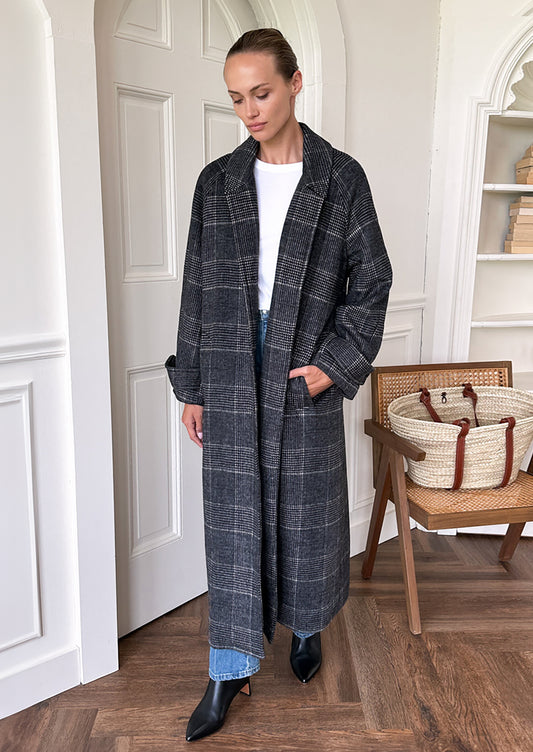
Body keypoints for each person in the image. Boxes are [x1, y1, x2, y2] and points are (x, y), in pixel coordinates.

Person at [165, 28, 392, 742]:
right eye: (237, 99)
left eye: (261, 93)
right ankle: (227, 668)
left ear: (294, 82)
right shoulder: (216, 182)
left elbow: (372, 281)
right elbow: (197, 286)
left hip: (305, 358)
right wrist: (193, 385)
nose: (250, 111)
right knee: (234, 514)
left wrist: (336, 362)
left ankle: (306, 624)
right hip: (231, 356)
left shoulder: (341, 178)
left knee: (305, 511)